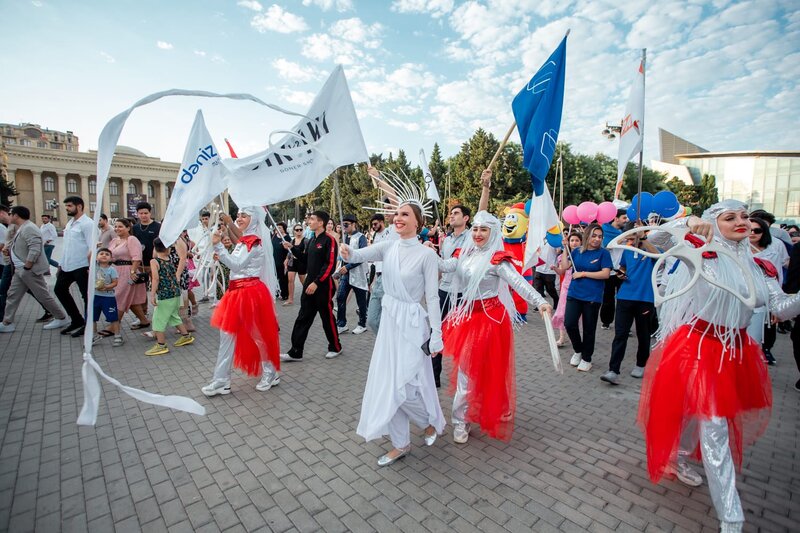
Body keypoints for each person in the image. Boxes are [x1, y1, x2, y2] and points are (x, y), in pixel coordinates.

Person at [639, 200, 800, 533]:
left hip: (736, 352)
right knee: (714, 429)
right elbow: (657, 237)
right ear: (715, 223)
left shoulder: (760, 267)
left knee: (691, 412)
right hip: (697, 347)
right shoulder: (697, 251)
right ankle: (732, 517)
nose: (741, 221)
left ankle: (679, 455)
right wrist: (690, 222)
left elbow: (782, 309)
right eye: (730, 218)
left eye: (744, 216)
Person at [341, 201, 444, 466]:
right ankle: (401, 444)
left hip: (412, 323)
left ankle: (427, 423)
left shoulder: (427, 255)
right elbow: (358, 255)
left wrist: (436, 333)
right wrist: (347, 251)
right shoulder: (388, 246)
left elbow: (432, 297)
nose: (398, 218)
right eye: (396, 214)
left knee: (406, 386)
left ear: (418, 223)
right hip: (390, 321)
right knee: (389, 384)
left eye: (405, 214)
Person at [439, 211, 551, 444]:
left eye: (484, 230)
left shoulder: (497, 260)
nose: (478, 234)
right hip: (468, 318)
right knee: (465, 373)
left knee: (489, 370)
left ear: (493, 233)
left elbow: (518, 282)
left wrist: (539, 302)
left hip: (490, 321)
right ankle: (461, 421)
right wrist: (422, 254)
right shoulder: (463, 254)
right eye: (476, 229)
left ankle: (491, 406)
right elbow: (445, 265)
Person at [202, 207, 281, 396]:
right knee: (226, 335)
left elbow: (236, 264)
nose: (239, 218)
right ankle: (221, 380)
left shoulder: (254, 243)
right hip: (235, 293)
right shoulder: (244, 241)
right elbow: (235, 264)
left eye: (244, 215)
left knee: (258, 336)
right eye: (238, 215)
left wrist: (219, 247)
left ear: (254, 220)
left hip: (250, 293)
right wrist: (220, 250)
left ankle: (270, 372)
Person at [280, 211, 342, 362]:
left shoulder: (329, 240)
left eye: (312, 219)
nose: (309, 221)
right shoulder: (312, 240)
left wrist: (317, 282)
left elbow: (330, 265)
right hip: (309, 284)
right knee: (303, 317)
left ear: (320, 223)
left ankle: (335, 347)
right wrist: (292, 248)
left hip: (323, 286)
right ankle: (296, 351)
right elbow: (305, 259)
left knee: (327, 317)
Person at [600, 226, 659, 385]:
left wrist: (644, 239)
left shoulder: (651, 249)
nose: (629, 240)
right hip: (625, 297)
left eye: (632, 237)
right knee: (620, 334)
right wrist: (620, 273)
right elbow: (623, 267)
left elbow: (659, 256)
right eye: (628, 237)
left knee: (643, 334)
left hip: (645, 298)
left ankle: (641, 364)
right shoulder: (627, 250)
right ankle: (613, 370)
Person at [0, 206, 70, 333]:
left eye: (11, 214)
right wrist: (9, 251)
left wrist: (27, 266)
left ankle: (61, 317)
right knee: (12, 295)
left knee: (42, 295)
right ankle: (7, 322)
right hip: (19, 269)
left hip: (28, 270)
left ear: (16, 215)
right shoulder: (22, 228)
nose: (9, 216)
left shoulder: (29, 228)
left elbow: (35, 248)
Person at [561, 223, 613, 372]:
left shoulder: (604, 253)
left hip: (592, 297)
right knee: (569, 323)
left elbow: (605, 274)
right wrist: (566, 249)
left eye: (600, 236)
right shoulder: (577, 251)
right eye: (594, 235)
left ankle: (586, 358)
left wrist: (583, 274)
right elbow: (565, 266)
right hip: (574, 294)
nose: (597, 239)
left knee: (589, 329)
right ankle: (578, 350)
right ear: (587, 235)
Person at [435, 204, 471, 388]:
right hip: (444, 291)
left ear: (466, 218)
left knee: (461, 336)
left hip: (462, 293)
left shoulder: (471, 238)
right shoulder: (447, 240)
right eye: (451, 213)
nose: (451, 216)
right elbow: (442, 264)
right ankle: (435, 377)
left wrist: (486, 188)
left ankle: (462, 377)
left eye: (456, 213)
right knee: (437, 331)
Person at [54, 196, 95, 337]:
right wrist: (60, 265)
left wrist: (91, 266)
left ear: (79, 206)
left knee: (86, 296)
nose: (67, 209)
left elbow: (92, 246)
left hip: (82, 265)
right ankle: (76, 319)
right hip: (67, 265)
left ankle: (89, 325)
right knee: (59, 289)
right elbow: (66, 246)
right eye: (66, 206)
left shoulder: (88, 224)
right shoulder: (70, 223)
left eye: (69, 206)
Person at [145, 238, 194, 356]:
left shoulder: (154, 261)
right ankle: (186, 336)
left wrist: (152, 294)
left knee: (158, 319)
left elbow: (155, 279)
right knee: (173, 316)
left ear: (155, 248)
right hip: (175, 293)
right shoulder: (169, 259)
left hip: (164, 294)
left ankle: (161, 345)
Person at [748, 217, 780, 365]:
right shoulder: (732, 249)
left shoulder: (771, 252)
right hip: (734, 304)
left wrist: (775, 306)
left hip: (760, 305)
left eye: (757, 230)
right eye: (749, 229)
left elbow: (776, 277)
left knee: (752, 345)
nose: (752, 233)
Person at [108, 218, 149, 328]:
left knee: (118, 296)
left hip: (128, 271)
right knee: (132, 299)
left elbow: (137, 257)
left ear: (128, 228)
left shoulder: (131, 239)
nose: (117, 229)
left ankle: (114, 325)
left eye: (120, 226)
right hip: (116, 271)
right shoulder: (114, 241)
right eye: (116, 226)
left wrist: (132, 272)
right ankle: (144, 320)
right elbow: (110, 256)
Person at [335, 214, 369, 335]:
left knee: (361, 301)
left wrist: (348, 267)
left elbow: (362, 256)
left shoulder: (361, 238)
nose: (344, 227)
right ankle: (341, 324)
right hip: (345, 274)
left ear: (353, 224)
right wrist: (338, 269)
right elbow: (342, 257)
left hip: (358, 274)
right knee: (340, 297)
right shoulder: (343, 238)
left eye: (346, 224)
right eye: (342, 224)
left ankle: (362, 324)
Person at [365, 212, 398, 332]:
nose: (373, 226)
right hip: (378, 277)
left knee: (388, 315)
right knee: (372, 320)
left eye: (375, 224)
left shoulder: (390, 232)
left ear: (381, 222)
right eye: (372, 225)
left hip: (389, 277)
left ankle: (389, 341)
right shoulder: (375, 236)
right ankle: (385, 341)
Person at [551, 232, 582, 346]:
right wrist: (555, 268)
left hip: (578, 288)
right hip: (565, 287)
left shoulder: (583, 256)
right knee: (561, 313)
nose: (574, 243)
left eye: (577, 240)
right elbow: (561, 270)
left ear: (581, 242)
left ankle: (574, 336)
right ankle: (562, 337)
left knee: (575, 315)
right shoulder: (564, 256)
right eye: (572, 240)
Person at [600, 209, 629, 329]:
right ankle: (606, 321)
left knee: (624, 300)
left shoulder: (626, 232)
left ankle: (623, 325)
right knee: (608, 298)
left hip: (623, 269)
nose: (626, 220)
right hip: (610, 270)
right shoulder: (605, 231)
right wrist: (620, 239)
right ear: (616, 218)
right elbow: (605, 246)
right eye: (624, 218)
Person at [92, 248, 123, 347]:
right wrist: (94, 246)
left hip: (108, 297)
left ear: (111, 258)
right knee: (92, 317)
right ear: (97, 257)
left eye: (107, 254)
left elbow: (115, 282)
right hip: (95, 296)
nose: (104, 255)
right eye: (101, 254)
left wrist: (106, 287)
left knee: (113, 317)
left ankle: (117, 335)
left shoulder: (112, 269)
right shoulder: (94, 267)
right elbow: (89, 256)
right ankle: (94, 335)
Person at [132, 202, 161, 298]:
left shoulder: (158, 226)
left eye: (145, 213)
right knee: (141, 291)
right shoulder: (135, 228)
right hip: (140, 264)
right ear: (137, 214)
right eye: (141, 213)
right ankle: (144, 311)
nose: (143, 215)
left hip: (155, 263)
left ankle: (161, 307)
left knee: (158, 287)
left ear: (150, 213)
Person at [282, 224, 307, 305]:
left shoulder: (306, 240)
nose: (299, 231)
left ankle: (311, 296)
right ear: (294, 231)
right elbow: (289, 252)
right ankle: (290, 299)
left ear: (303, 230)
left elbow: (305, 254)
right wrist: (286, 259)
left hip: (301, 263)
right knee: (290, 280)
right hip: (292, 262)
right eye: (297, 230)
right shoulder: (292, 241)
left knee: (303, 281)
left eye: (300, 229)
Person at [533, 241, 561, 310]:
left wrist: (559, 249)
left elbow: (558, 251)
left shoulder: (554, 239)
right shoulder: (539, 238)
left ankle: (556, 300)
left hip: (550, 269)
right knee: (538, 288)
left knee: (550, 289)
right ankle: (539, 304)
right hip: (539, 268)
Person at [272, 222, 290, 301]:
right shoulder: (274, 236)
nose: (278, 229)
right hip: (274, 259)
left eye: (280, 227)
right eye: (277, 227)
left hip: (283, 260)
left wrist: (286, 259)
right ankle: (276, 292)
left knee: (283, 278)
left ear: (284, 229)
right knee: (275, 277)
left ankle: (285, 294)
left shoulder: (287, 237)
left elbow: (290, 250)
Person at [0, 205, 11, 321]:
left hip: (4, 263)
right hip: (7, 263)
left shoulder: (1, 228)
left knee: (3, 290)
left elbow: (4, 243)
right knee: (3, 289)